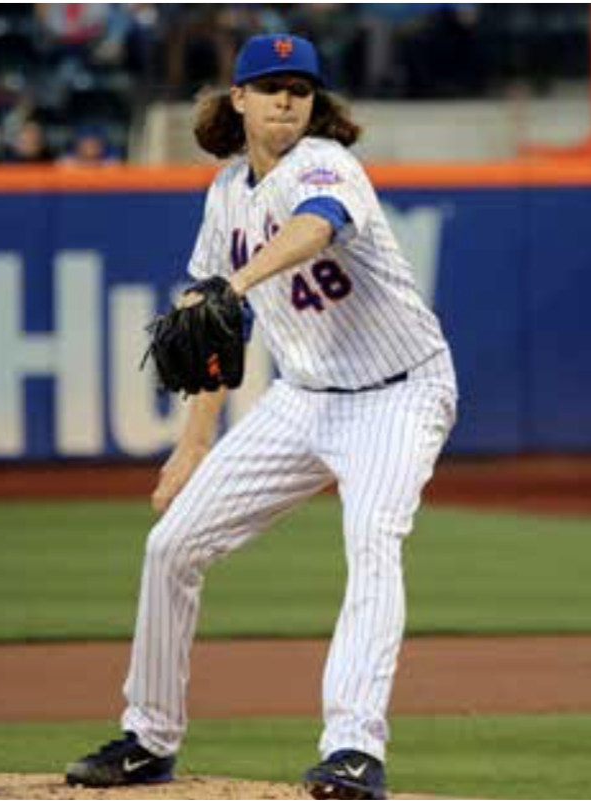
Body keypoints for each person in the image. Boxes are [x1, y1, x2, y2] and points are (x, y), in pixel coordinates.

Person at [65, 34, 458, 800]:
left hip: (399, 393)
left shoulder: (326, 164)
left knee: (373, 541)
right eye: (271, 85)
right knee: (171, 546)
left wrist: (232, 285)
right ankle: (148, 739)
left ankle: (353, 750)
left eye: (301, 88)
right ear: (237, 99)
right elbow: (215, 334)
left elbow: (314, 226)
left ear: (316, 105)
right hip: (304, 399)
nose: (287, 99)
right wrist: (192, 444)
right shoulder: (225, 194)